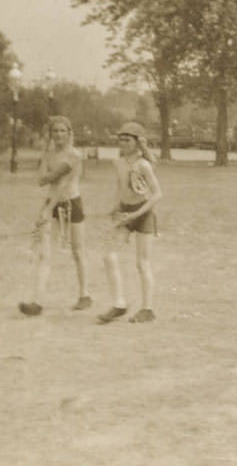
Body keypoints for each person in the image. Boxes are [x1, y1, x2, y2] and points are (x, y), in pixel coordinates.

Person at [19, 116, 91, 316]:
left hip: (70, 204)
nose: (59, 135)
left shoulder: (74, 155)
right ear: (50, 134)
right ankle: (37, 302)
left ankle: (85, 295)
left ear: (69, 133)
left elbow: (63, 185)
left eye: (62, 131)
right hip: (51, 204)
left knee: (78, 251)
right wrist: (44, 152)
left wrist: (47, 208)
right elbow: (40, 180)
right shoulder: (49, 154)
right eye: (55, 131)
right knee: (44, 254)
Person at [97, 122, 162, 325]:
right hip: (124, 213)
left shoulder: (144, 165)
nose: (122, 143)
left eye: (127, 139)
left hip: (143, 214)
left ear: (137, 142)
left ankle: (147, 309)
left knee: (142, 263)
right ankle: (119, 304)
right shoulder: (118, 162)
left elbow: (157, 194)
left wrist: (135, 215)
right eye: (120, 139)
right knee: (108, 256)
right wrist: (115, 209)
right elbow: (121, 187)